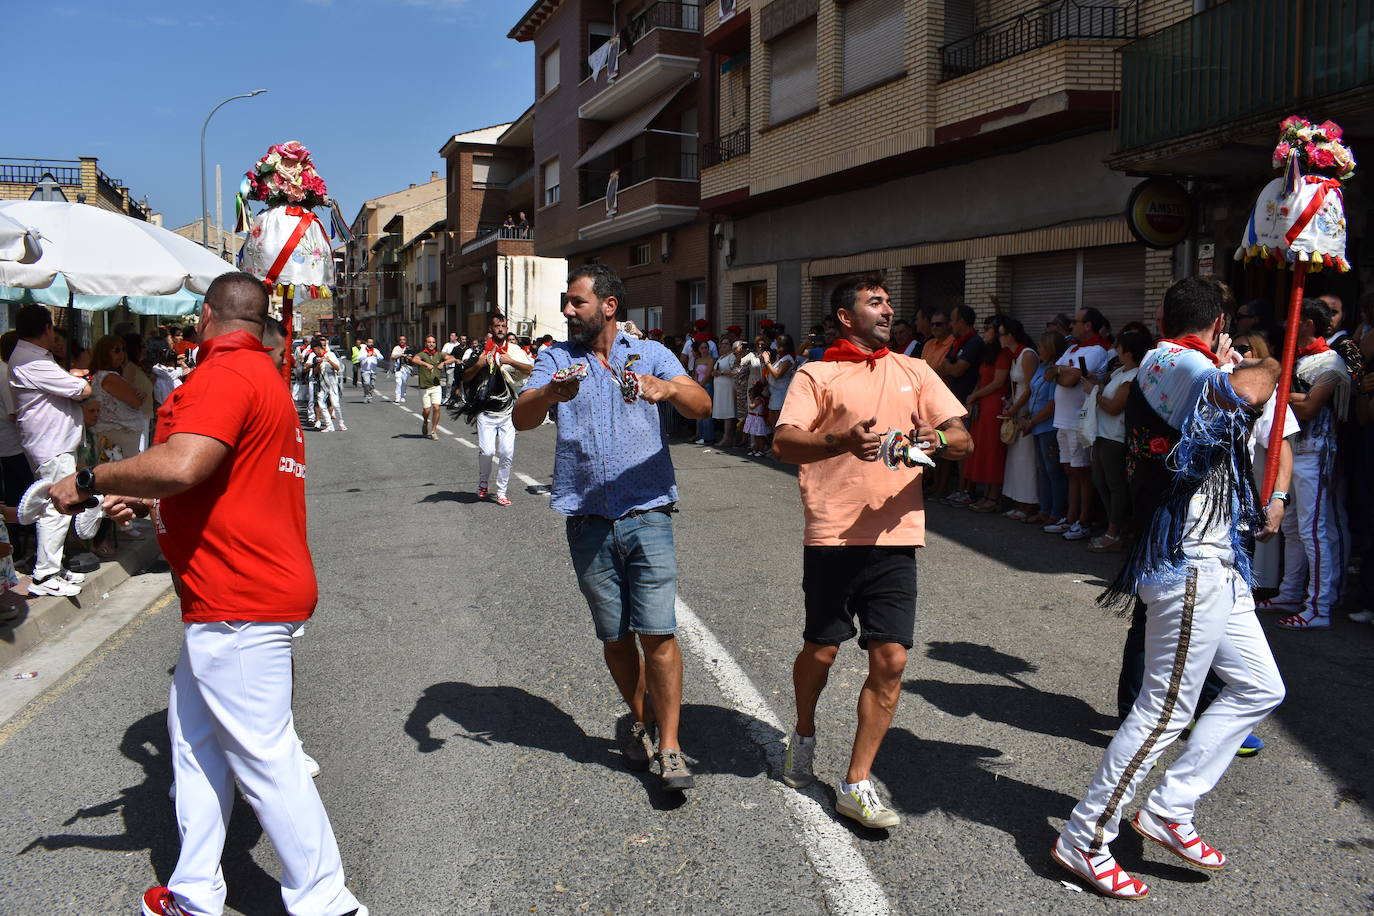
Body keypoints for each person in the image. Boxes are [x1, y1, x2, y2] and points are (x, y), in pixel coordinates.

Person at [46, 272, 367, 916]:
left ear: (206, 316)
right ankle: (194, 891)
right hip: (233, 592)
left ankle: (327, 900)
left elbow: (185, 463)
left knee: (264, 759)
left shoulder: (222, 375)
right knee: (193, 743)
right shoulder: (260, 375)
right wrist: (149, 498)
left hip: (237, 595)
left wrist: (90, 478)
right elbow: (221, 479)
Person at [1054, 277, 1284, 901]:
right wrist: (1267, 361)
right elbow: (1249, 391)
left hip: (1217, 559)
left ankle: (1169, 808)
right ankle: (1085, 836)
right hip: (1189, 560)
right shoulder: (1183, 361)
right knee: (1164, 710)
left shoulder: (1177, 361)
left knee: (1260, 686)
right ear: (1217, 324)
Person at [773, 274, 970, 829]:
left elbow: (963, 438)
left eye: (888, 303)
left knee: (892, 658)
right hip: (833, 534)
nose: (887, 311)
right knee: (822, 651)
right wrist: (839, 441)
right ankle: (803, 734)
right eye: (874, 302)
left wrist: (937, 440)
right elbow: (784, 441)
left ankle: (856, 782)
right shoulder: (817, 373)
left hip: (896, 535)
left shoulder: (915, 369)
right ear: (845, 315)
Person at [513, 264, 711, 792]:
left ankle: (670, 746)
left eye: (576, 301)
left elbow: (702, 404)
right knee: (616, 636)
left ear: (608, 306)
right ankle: (641, 721)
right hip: (587, 519)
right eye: (566, 301)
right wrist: (549, 394)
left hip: (648, 513)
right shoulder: (557, 358)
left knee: (658, 631)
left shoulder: (650, 354)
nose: (567, 310)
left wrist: (667, 389)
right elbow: (521, 418)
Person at [1270, 298, 1351, 630]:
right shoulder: (1295, 358)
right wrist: (1297, 396)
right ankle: (1290, 593)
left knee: (1312, 530)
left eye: (1294, 318)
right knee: (1291, 528)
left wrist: (1284, 396)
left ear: (1308, 324)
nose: (1286, 324)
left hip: (1316, 453)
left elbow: (1310, 408)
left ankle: (1319, 606)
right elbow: (1300, 401)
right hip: (1293, 451)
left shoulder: (1330, 360)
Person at [9, 305, 92, 597]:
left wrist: (74, 378)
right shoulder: (32, 360)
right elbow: (82, 391)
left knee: (57, 506)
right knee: (58, 507)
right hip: (51, 444)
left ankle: (53, 567)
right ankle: (45, 574)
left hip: (54, 442)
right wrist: (81, 379)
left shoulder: (34, 357)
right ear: (47, 328)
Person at [1047, 307, 1112, 540]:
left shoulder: (1097, 349)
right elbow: (1049, 373)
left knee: (1082, 472)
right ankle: (1070, 517)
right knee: (1069, 470)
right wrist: (1061, 371)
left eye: (1075, 322)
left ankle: (1083, 522)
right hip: (1063, 420)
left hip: (1079, 421)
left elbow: (1070, 379)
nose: (1071, 325)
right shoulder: (1072, 348)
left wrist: (1061, 372)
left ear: (1088, 325)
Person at [1086, 330, 1149, 552]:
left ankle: (1114, 532)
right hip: (1102, 434)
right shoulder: (1120, 371)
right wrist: (1097, 386)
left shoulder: (1134, 376)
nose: (1116, 350)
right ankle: (1116, 527)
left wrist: (1094, 393)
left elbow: (1114, 407)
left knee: (1115, 486)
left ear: (1128, 352)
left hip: (1115, 437)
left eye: (1119, 347)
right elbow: (1109, 397)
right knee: (1100, 481)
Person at [464, 314, 532, 505]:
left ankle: (502, 491)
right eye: (497, 326)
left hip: (508, 411)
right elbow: (466, 377)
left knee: (506, 452)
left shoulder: (514, 350)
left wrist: (511, 361)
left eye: (503, 326)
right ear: (491, 328)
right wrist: (479, 364)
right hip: (485, 411)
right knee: (487, 452)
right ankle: (483, 482)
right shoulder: (480, 351)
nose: (500, 329)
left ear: (506, 328)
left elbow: (529, 369)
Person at [961, 318, 1011, 512]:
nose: (984, 331)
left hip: (994, 405)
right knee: (983, 449)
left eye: (988, 328)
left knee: (993, 450)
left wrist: (975, 395)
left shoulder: (1003, 354)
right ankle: (986, 494)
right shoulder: (989, 353)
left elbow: (998, 382)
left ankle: (994, 496)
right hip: (984, 404)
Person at [1022, 331, 1068, 526]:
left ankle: (1056, 512)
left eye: (1041, 346)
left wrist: (1032, 421)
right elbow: (1032, 393)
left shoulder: (1055, 371)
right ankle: (1044, 510)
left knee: (1053, 471)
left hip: (1048, 428)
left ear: (1050, 348)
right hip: (1037, 426)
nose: (1038, 349)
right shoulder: (1041, 367)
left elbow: (1051, 405)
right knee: (1043, 470)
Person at [997, 317, 1039, 519]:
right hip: (1017, 407)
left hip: (1026, 410)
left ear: (1010, 335)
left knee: (1026, 458)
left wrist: (1014, 409)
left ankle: (1029, 503)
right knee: (1016, 458)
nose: (999, 338)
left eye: (1002, 334)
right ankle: (1018, 501)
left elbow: (1030, 388)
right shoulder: (1015, 356)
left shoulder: (1027, 354)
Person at [89, 334, 148, 462]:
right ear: (104, 353)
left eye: (123, 350)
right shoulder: (109, 377)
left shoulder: (104, 376)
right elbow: (136, 401)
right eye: (116, 350)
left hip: (119, 436)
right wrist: (142, 395)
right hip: (118, 437)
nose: (121, 354)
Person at [409, 335, 450, 440]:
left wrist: (443, 363)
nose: (431, 344)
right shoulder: (422, 354)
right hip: (424, 387)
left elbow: (452, 358)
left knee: (436, 407)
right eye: (429, 342)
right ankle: (425, 422)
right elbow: (415, 360)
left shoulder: (439, 354)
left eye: (433, 342)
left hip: (436, 386)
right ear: (425, 343)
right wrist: (425, 364)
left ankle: (433, 431)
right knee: (426, 411)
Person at [761, 333, 797, 447]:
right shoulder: (779, 358)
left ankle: (781, 447)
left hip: (781, 394)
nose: (775, 346)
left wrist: (767, 361)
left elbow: (777, 374)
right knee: (772, 423)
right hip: (774, 393)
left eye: (778, 344)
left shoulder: (788, 359)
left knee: (778, 423)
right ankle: (775, 446)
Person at [311, 339, 347, 432]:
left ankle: (341, 423)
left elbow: (338, 368)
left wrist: (329, 361)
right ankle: (329, 425)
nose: (315, 352)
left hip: (332, 384)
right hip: (322, 385)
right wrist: (319, 363)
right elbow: (315, 372)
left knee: (335, 404)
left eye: (315, 350)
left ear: (318, 348)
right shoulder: (316, 358)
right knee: (321, 404)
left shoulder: (330, 354)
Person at [711, 337, 739, 448]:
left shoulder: (732, 357)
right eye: (722, 344)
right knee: (724, 411)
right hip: (720, 388)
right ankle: (727, 436)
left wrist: (721, 372)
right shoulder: (721, 357)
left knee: (728, 411)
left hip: (728, 387)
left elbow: (735, 372)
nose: (723, 346)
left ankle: (727, 437)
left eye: (726, 343)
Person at [691, 339, 715, 445]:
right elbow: (695, 374)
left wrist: (700, 385)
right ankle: (700, 435)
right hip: (698, 387)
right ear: (699, 350)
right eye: (702, 348)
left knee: (706, 412)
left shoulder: (711, 360)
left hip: (707, 386)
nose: (704, 350)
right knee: (699, 411)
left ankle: (708, 437)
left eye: (706, 347)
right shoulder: (697, 360)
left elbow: (708, 374)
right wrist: (696, 384)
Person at [357, 338, 382, 403]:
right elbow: (359, 358)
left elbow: (381, 357)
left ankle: (370, 397)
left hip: (373, 371)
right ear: (366, 343)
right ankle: (366, 396)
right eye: (370, 342)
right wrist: (367, 355)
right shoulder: (363, 351)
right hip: (365, 370)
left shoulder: (375, 350)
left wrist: (377, 356)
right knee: (366, 383)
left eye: (372, 342)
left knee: (372, 385)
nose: (371, 344)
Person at [390, 336, 413, 403]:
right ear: (399, 341)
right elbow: (392, 356)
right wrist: (400, 355)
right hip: (398, 368)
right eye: (401, 340)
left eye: (403, 340)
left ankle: (403, 396)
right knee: (398, 382)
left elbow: (412, 358)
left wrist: (407, 356)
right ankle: (397, 397)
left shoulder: (408, 348)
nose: (402, 341)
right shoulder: (396, 348)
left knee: (404, 382)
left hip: (406, 368)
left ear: (405, 341)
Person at [440, 331, 462, 399]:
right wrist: (450, 356)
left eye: (453, 336)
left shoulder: (459, 345)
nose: (451, 337)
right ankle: (448, 396)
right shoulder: (447, 345)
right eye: (450, 335)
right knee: (449, 383)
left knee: (458, 383)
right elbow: (442, 353)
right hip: (450, 366)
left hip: (458, 366)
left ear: (456, 337)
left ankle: (457, 397)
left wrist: (448, 354)